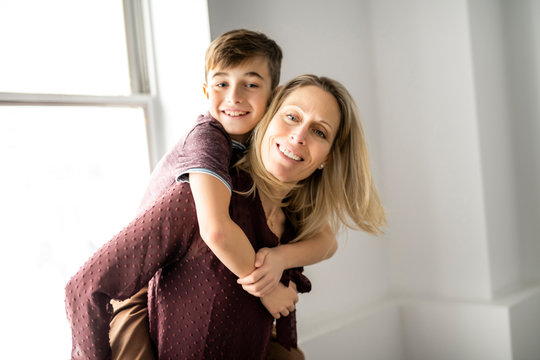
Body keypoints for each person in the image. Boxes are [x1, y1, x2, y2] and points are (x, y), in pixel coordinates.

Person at [65, 74, 386, 359]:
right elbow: (84, 288)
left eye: (319, 131)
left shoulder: (297, 223)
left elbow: (327, 243)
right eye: (291, 117)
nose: (299, 136)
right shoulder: (198, 200)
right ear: (266, 120)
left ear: (327, 158)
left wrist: (280, 258)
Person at [107, 29, 337, 360]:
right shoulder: (208, 139)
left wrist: (281, 258)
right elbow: (215, 228)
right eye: (221, 84)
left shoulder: (265, 148)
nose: (234, 97)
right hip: (139, 292)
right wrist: (269, 288)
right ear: (206, 90)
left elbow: (326, 240)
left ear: (273, 96)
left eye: (251, 84)